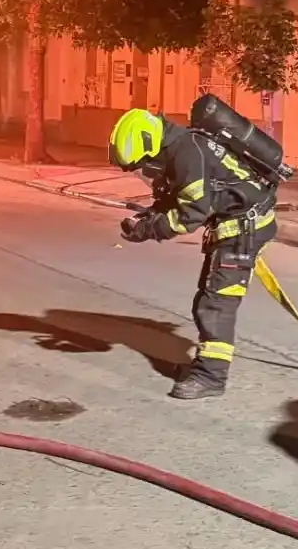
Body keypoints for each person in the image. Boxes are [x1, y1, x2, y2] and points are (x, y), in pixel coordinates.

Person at [108, 102, 278, 400]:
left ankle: (211, 377)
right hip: (234, 227)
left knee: (216, 304)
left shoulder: (187, 155)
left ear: (151, 148)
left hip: (241, 232)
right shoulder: (181, 147)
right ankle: (205, 365)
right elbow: (178, 196)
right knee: (207, 297)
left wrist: (148, 230)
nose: (143, 173)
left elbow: (190, 215)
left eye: (141, 165)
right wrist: (148, 217)